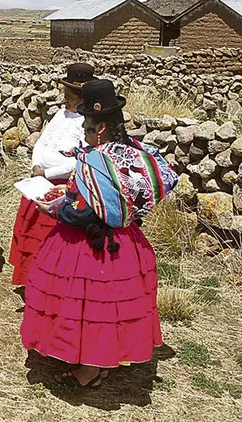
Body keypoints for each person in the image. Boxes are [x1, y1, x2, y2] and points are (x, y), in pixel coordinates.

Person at [20, 79, 179, 389]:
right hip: (126, 241)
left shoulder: (95, 162)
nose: (85, 132)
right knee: (111, 306)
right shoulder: (132, 151)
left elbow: (82, 211)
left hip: (91, 246)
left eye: (88, 127)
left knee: (90, 307)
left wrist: (54, 209)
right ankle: (101, 361)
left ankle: (89, 369)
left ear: (101, 128)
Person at [8, 63, 95, 287]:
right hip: (40, 183)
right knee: (31, 234)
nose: (65, 99)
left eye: (69, 96)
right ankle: (30, 280)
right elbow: (42, 141)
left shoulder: (86, 125)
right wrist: (37, 165)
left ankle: (48, 285)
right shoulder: (60, 115)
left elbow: (81, 159)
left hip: (62, 188)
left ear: (82, 97)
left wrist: (48, 172)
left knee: (49, 238)